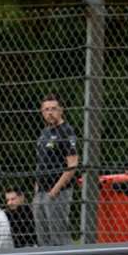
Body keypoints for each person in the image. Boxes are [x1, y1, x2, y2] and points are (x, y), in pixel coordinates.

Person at [33, 94, 79, 246]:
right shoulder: (44, 133)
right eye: (46, 109)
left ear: (61, 111)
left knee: (58, 235)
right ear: (42, 112)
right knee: (43, 236)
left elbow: (72, 165)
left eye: (53, 108)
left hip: (58, 191)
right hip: (40, 190)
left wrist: (54, 190)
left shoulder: (66, 131)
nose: (50, 112)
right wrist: (37, 188)